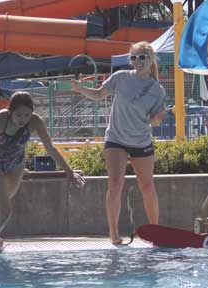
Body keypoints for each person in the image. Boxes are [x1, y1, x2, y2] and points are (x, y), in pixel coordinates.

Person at [71, 41, 167, 244]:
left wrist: (157, 119)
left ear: (151, 60)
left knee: (147, 186)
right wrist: (81, 89)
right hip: (116, 138)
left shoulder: (157, 90)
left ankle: (155, 231)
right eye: (134, 57)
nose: (138, 61)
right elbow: (98, 94)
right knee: (115, 184)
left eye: (142, 57)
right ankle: (113, 233)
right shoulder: (121, 77)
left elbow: (152, 119)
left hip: (141, 140)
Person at [0, 91, 85, 253]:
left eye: (27, 115)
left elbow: (50, 148)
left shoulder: (35, 122)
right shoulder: (0, 120)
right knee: (6, 211)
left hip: (16, 165)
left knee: (3, 203)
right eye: (19, 115)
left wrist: (69, 172)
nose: (23, 119)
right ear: (10, 112)